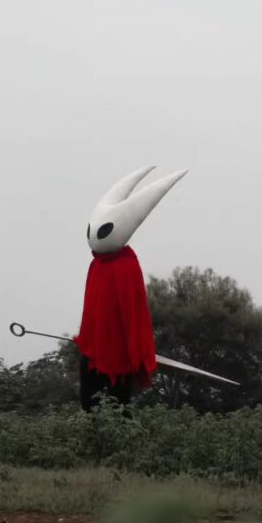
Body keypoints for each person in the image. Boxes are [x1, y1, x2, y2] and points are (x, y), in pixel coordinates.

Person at [74, 166, 186, 411]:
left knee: (118, 405)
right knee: (89, 402)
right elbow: (92, 311)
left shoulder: (125, 266)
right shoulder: (97, 265)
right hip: (94, 351)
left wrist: (135, 352)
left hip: (118, 354)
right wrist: (89, 338)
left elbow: (132, 313)